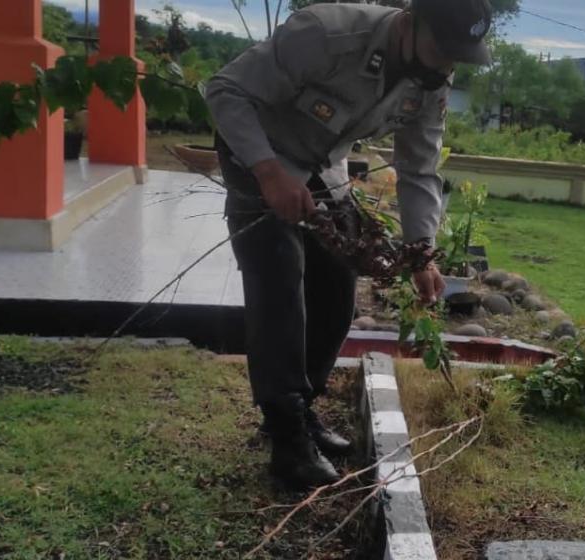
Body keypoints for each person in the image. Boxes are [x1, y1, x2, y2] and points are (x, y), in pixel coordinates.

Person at [205, 0, 494, 490]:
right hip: (257, 154)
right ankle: (286, 436)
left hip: (322, 167)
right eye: (441, 48)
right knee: (279, 281)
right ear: (411, 19)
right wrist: (269, 172)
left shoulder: (430, 79)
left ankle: (304, 407)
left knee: (338, 283)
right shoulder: (326, 34)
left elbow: (420, 168)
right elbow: (225, 90)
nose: (446, 64)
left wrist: (421, 252)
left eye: (456, 55)